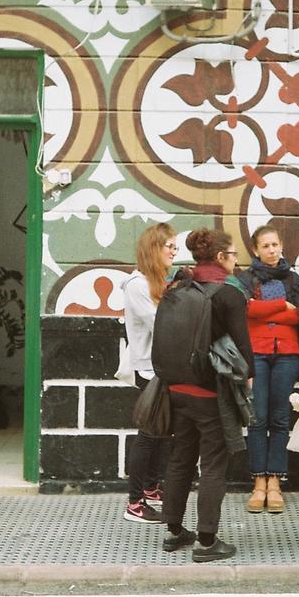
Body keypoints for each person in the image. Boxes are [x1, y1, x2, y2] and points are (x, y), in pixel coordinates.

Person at [157, 228, 253, 563]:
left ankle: (173, 531)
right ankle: (207, 541)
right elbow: (244, 350)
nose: (236, 260)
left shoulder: (179, 287)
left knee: (180, 458)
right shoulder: (229, 295)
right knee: (214, 462)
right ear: (220, 257)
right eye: (233, 254)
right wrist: (248, 378)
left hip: (176, 387)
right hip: (212, 392)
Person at [236, 225, 299, 514]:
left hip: (288, 355)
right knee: (257, 419)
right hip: (256, 355)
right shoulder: (244, 278)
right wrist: (282, 306)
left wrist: (264, 307)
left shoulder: (293, 278)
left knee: (280, 419)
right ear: (255, 250)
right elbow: (244, 310)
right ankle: (258, 483)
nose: (272, 250)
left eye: (275, 244)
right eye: (265, 246)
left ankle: (275, 482)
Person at [119, 223, 177, 524]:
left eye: (175, 246)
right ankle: (135, 502)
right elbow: (162, 325)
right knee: (149, 434)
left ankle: (152, 488)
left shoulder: (156, 283)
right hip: (148, 369)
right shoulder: (138, 285)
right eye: (169, 245)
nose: (173, 251)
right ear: (153, 248)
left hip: (160, 367)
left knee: (161, 433)